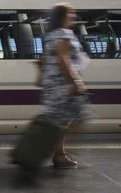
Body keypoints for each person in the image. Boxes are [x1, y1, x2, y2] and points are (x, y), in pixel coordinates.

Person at [42, 2, 93, 168]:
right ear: (63, 17)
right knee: (80, 117)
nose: (74, 17)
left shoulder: (51, 34)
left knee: (62, 120)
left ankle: (59, 153)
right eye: (71, 14)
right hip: (64, 85)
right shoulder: (64, 34)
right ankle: (58, 151)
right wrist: (76, 82)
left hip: (53, 85)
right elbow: (63, 58)